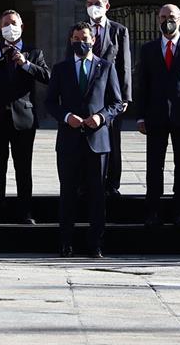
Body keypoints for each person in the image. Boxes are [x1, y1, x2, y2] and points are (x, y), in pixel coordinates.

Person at [47, 22, 123, 258]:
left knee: (97, 194)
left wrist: (101, 118)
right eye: (77, 38)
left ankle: (96, 244)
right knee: (67, 193)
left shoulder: (106, 67)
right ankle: (65, 242)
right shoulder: (61, 69)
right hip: (69, 140)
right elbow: (50, 102)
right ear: (71, 41)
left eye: (85, 37)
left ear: (94, 40)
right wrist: (67, 117)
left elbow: (116, 103)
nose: (81, 41)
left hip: (97, 141)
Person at [137, 3, 180, 226]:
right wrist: (140, 116)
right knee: (154, 165)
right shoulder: (148, 49)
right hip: (155, 117)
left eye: (172, 16)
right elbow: (142, 85)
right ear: (158, 20)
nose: (168, 20)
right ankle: (152, 211)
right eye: (164, 16)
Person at [0, 10, 51, 224]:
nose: (10, 27)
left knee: (23, 167)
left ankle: (25, 211)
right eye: (5, 24)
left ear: (21, 26)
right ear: (0, 28)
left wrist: (25, 64)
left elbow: (47, 77)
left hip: (23, 118)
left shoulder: (33, 52)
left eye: (13, 23)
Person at [72, 0, 132, 198]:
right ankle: (83, 182)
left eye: (96, 3)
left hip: (110, 94)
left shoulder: (118, 30)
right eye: (89, 4)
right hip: (85, 92)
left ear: (106, 6)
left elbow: (124, 64)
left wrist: (125, 96)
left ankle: (112, 183)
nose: (92, 8)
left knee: (112, 140)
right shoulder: (80, 30)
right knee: (83, 138)